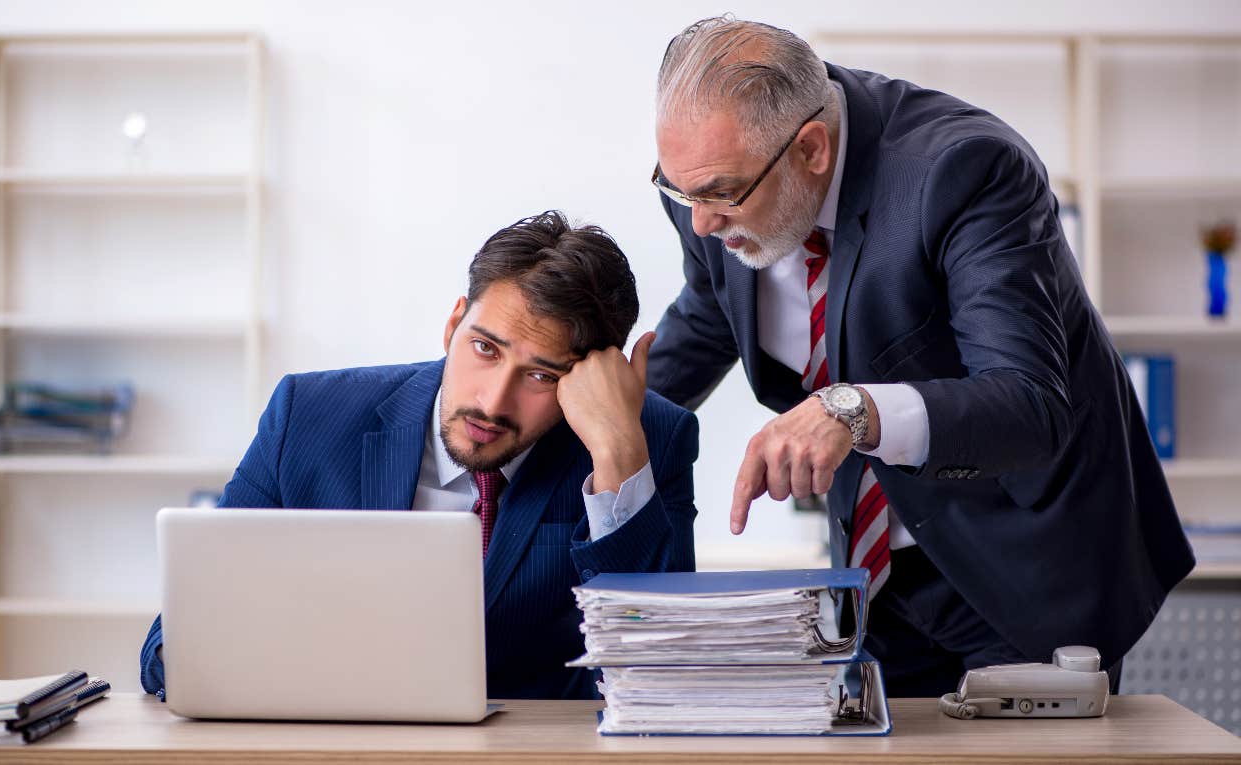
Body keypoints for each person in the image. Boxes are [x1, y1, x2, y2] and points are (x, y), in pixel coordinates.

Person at [644, 16, 1194, 697]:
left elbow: (1029, 400)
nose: (699, 220)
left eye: (720, 194)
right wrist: (594, 420)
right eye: (680, 190)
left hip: (1022, 563)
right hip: (873, 574)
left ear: (811, 149)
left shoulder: (966, 170)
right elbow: (710, 317)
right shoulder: (709, 185)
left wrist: (849, 409)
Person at [140, 211, 698, 700]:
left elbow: (660, 674)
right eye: (484, 348)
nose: (492, 401)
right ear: (454, 324)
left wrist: (618, 452)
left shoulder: (649, 441)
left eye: (540, 375)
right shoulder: (307, 417)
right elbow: (172, 643)